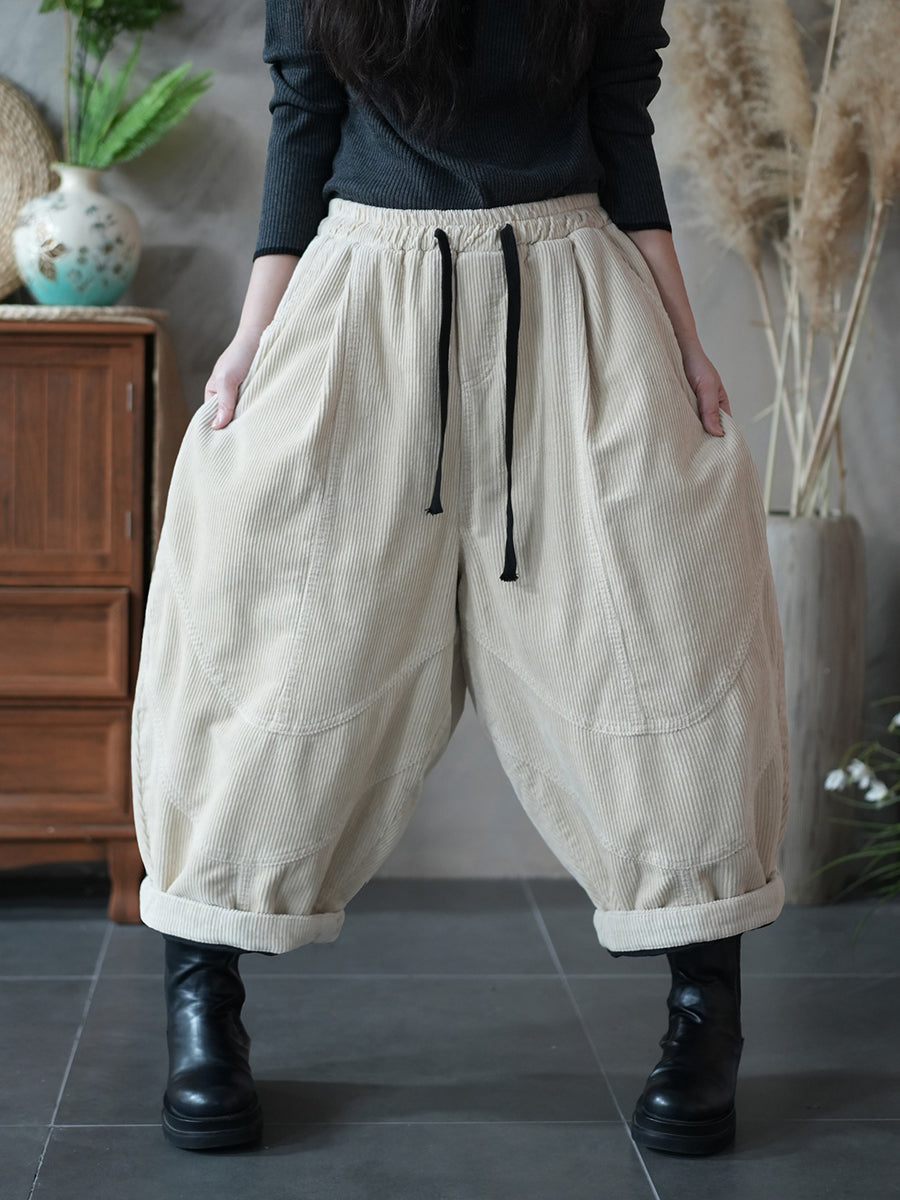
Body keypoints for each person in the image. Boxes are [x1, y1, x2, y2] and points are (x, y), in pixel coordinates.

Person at [130, 0, 790, 1160]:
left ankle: (705, 1016)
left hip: (573, 295)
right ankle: (204, 1004)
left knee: (664, 637)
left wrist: (685, 342)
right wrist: (252, 338)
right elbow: (303, 123)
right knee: (263, 641)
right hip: (362, 297)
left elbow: (621, 129)